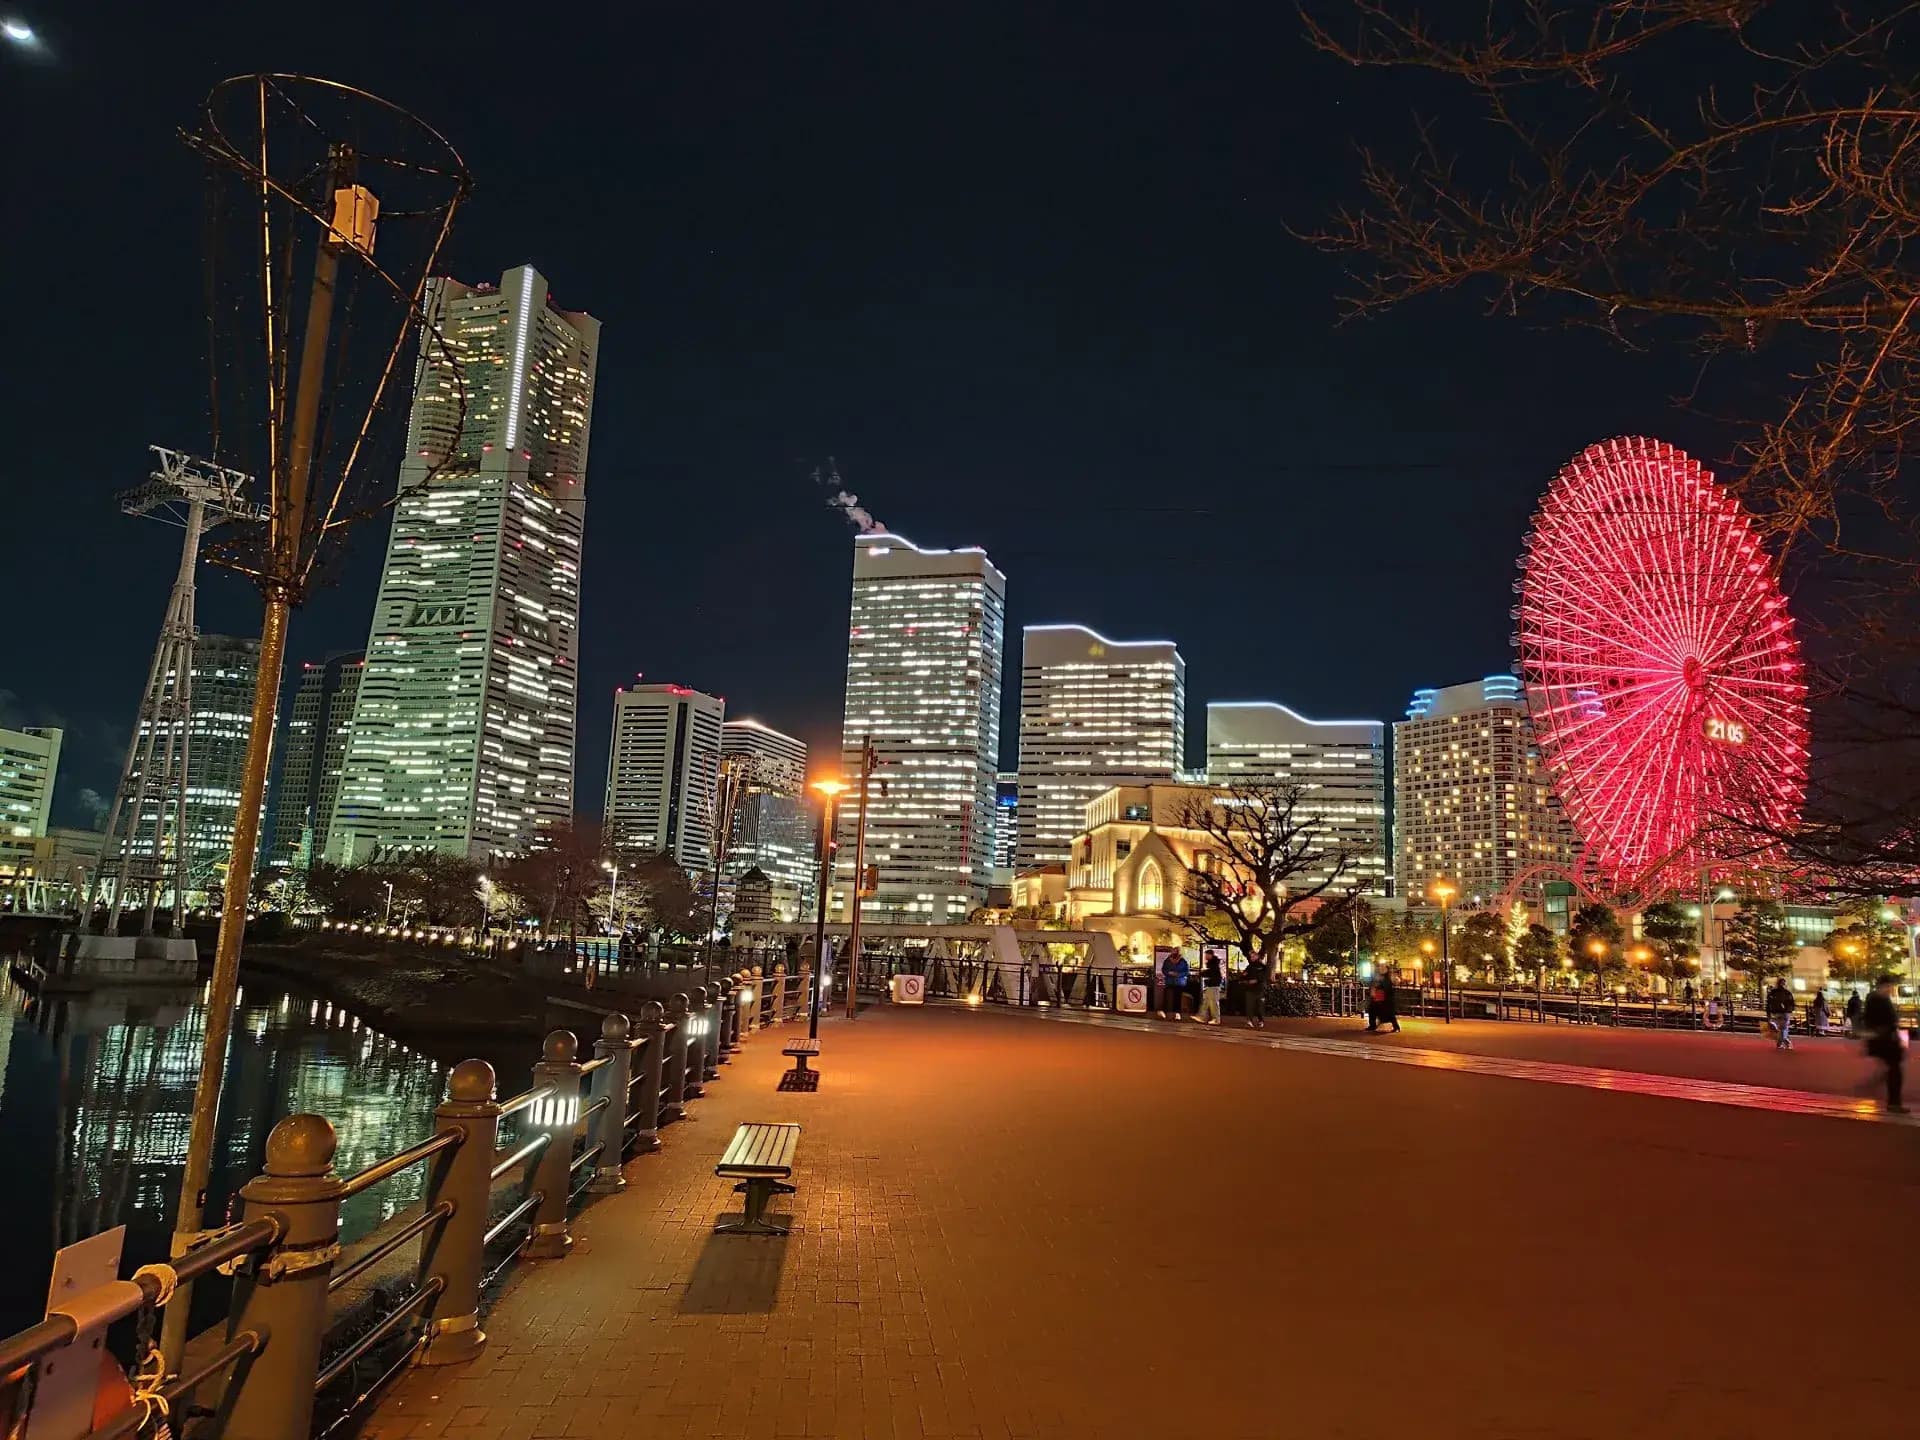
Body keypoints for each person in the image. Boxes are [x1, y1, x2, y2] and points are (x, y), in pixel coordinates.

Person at [1861, 973, 1906, 1114]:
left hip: (1886, 1039)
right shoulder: (1877, 999)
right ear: (1883, 986)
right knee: (1895, 1071)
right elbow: (1878, 1020)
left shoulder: (1877, 998)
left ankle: (1892, 1099)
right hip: (1884, 1040)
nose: (1891, 989)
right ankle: (1894, 1103)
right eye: (1890, 986)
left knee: (1893, 1068)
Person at [1366, 969, 1401, 1033]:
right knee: (1372, 1010)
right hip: (1379, 995)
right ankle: (1372, 1025)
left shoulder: (1387, 977)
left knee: (1388, 1013)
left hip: (1383, 997)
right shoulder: (1381, 977)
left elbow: (1388, 986)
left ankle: (1396, 1026)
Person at [1765, 977, 1795, 1050]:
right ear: (1784, 983)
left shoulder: (1772, 992)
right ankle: (1784, 1042)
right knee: (1784, 1029)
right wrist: (1790, 1010)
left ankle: (1782, 1044)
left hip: (1775, 1012)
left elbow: (1768, 1004)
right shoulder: (1787, 993)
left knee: (1780, 1029)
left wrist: (1768, 1014)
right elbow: (1791, 1003)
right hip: (1784, 1012)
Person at [1198, 948, 1225, 1025]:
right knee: (1206, 1001)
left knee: (1213, 1002)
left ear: (1210, 955)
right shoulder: (1212, 963)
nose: (1205, 957)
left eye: (1206, 955)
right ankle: (1202, 1016)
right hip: (1211, 984)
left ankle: (1216, 1019)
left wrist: (1202, 972)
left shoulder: (1214, 964)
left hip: (1214, 984)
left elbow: (1210, 973)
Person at [1161, 950, 1190, 1020]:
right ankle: (1165, 1012)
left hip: (1179, 982)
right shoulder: (1167, 960)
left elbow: (1186, 971)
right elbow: (1164, 969)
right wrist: (1169, 973)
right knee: (1167, 996)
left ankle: (1177, 1013)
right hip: (1169, 981)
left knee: (1177, 998)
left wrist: (1178, 974)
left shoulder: (1183, 961)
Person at [1242, 954, 1268, 1029]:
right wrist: (1245, 980)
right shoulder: (1249, 967)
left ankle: (1261, 1021)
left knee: (1259, 1007)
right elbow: (1243, 976)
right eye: (1251, 957)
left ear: (1257, 957)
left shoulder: (1262, 967)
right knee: (1249, 1006)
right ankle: (1249, 1020)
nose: (1251, 958)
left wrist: (1257, 980)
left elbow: (1264, 976)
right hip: (1250, 989)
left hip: (1259, 990)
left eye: (1253, 956)